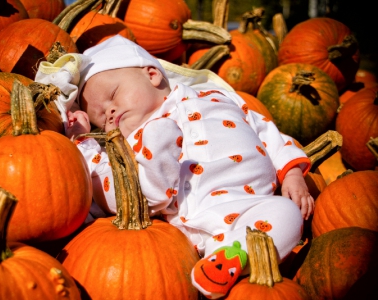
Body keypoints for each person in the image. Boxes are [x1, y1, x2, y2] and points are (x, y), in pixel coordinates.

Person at [35, 35, 314, 299]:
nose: (109, 112)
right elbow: (102, 180)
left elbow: (266, 132)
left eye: (114, 94)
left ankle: (230, 258)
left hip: (255, 205)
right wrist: (83, 141)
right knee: (140, 162)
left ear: (151, 74)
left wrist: (290, 172)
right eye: (100, 118)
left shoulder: (218, 98)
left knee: (288, 214)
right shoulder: (135, 140)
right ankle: (168, 204)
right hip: (193, 224)